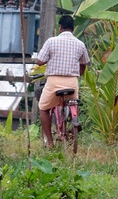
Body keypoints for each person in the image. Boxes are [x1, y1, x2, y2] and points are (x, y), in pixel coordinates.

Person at [36, 15, 90, 147]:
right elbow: (84, 63)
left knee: (43, 108)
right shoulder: (80, 44)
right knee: (73, 102)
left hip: (54, 82)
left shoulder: (51, 42)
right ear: (73, 28)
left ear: (60, 27)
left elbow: (40, 61)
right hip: (72, 82)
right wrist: (78, 74)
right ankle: (74, 119)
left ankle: (49, 142)